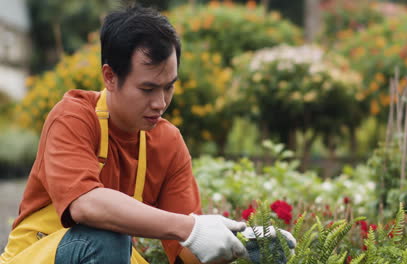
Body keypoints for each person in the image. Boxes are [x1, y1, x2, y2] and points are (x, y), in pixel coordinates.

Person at [0, 6, 250, 264]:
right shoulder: (73, 117)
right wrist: (189, 228)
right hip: (37, 258)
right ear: (110, 77)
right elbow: (85, 204)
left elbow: (188, 251)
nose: (160, 103)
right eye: (147, 88)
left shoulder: (168, 142)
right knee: (107, 237)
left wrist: (239, 242)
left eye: (169, 87)